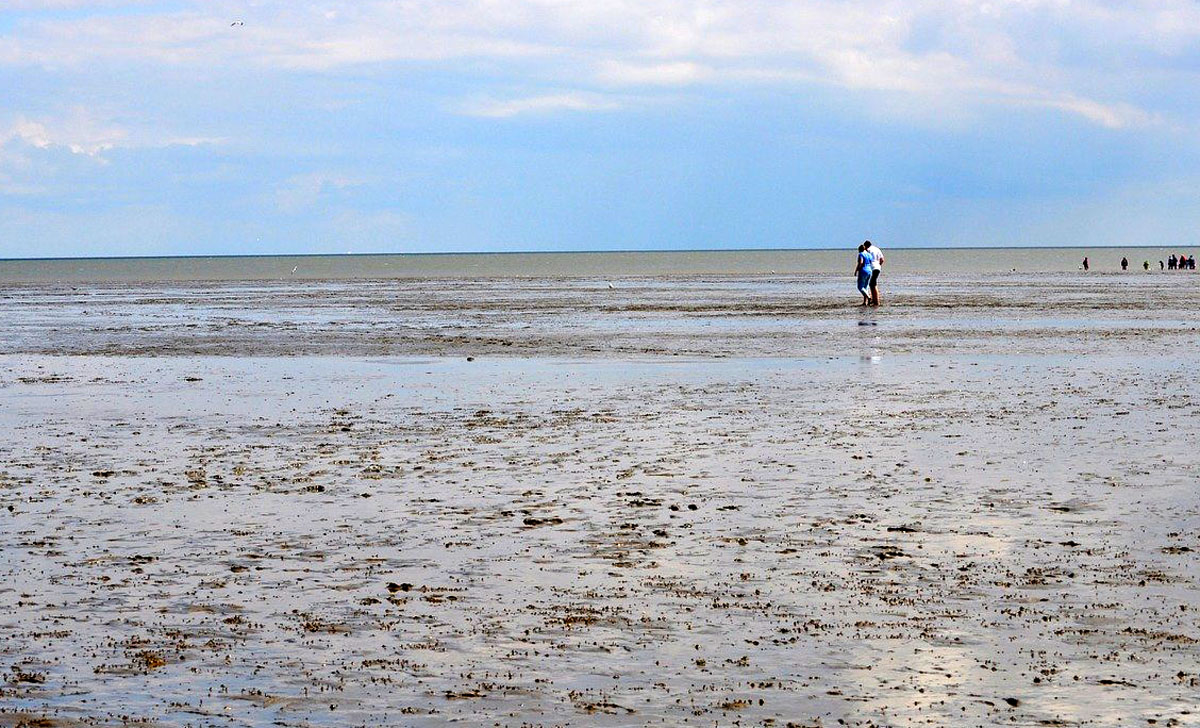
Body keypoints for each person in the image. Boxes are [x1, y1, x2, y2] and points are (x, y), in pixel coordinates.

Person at [864, 240, 883, 306]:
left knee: (872, 284)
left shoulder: (868, 250)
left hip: (872, 268)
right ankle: (873, 299)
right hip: (877, 268)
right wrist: (878, 265)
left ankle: (876, 301)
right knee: (872, 283)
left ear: (866, 246)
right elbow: (882, 260)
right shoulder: (877, 249)